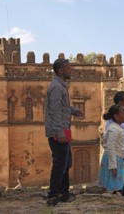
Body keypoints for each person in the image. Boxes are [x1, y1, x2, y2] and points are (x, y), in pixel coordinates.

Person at [45, 58, 82, 206]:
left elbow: (61, 107)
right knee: (60, 163)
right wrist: (59, 133)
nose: (70, 70)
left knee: (66, 162)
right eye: (68, 68)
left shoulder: (61, 86)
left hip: (63, 129)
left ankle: (64, 193)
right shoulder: (56, 87)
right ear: (61, 70)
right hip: (58, 131)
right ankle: (53, 195)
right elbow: (54, 112)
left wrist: (73, 110)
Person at [99, 104, 124, 192]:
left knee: (115, 186)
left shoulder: (115, 127)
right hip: (114, 160)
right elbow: (110, 147)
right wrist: (113, 166)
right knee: (115, 187)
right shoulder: (114, 129)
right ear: (116, 116)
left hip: (115, 159)